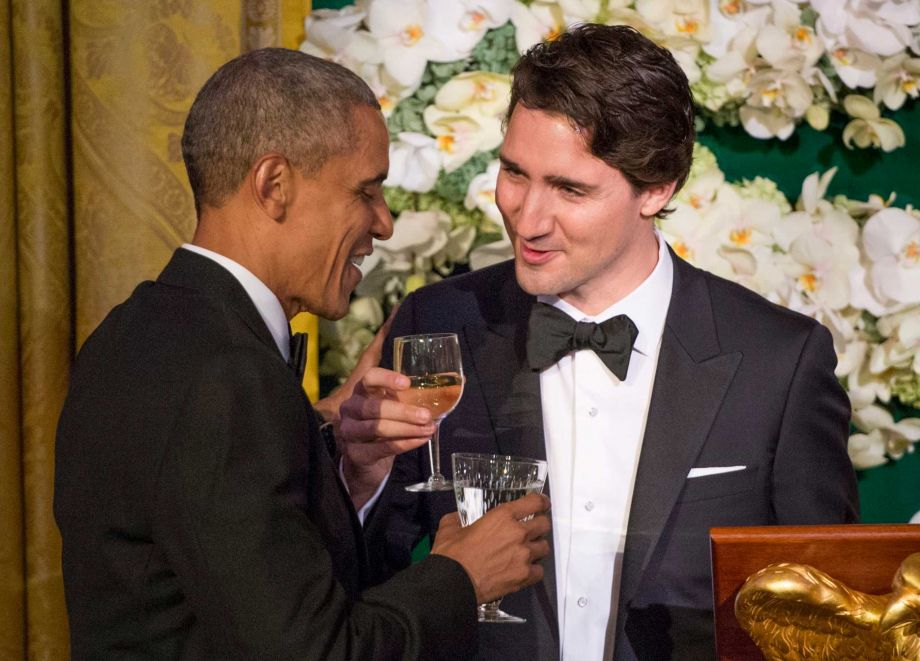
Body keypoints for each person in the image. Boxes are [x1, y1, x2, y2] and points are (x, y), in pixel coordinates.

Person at [334, 24, 859, 661]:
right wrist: (360, 478)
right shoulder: (441, 323)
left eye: (570, 189)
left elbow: (830, 614)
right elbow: (360, 582)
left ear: (658, 187)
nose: (527, 218)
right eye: (514, 174)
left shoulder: (780, 361)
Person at [54, 48, 551, 660]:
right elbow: (317, 651)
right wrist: (462, 575)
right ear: (274, 185)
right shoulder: (227, 374)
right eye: (365, 190)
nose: (385, 222)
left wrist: (347, 473)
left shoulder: (135, 331)